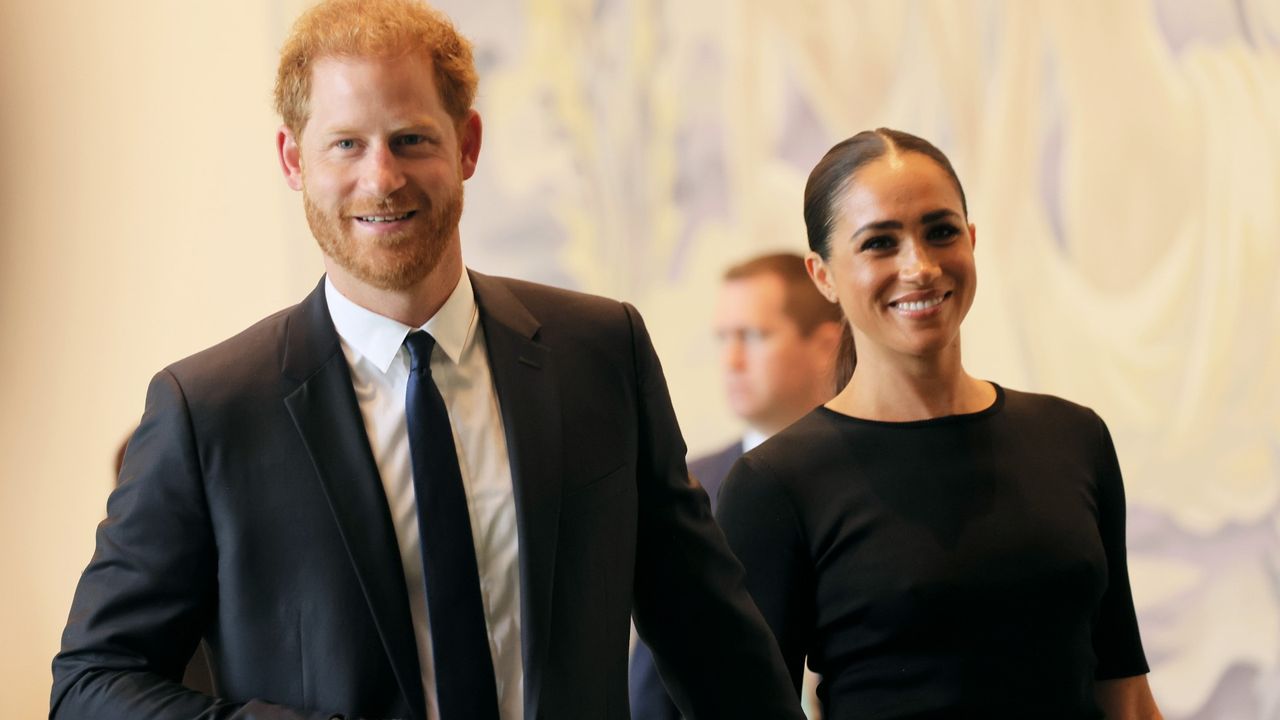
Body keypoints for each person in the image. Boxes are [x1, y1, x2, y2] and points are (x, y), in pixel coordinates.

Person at [49, 2, 804, 719]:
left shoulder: (601, 353)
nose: (382, 177)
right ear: (293, 159)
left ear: (467, 144)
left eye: (411, 138)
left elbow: (714, 645)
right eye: (345, 143)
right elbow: (90, 683)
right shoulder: (207, 409)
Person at [716, 128, 1163, 719]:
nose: (920, 266)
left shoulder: (1073, 438)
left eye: (940, 232)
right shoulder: (775, 484)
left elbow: (1125, 693)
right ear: (823, 275)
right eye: (880, 243)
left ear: (971, 241)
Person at [628, 252, 841, 720]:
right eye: (724, 338)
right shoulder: (685, 485)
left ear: (827, 344)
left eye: (753, 336)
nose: (731, 360)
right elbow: (654, 683)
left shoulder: (870, 478)